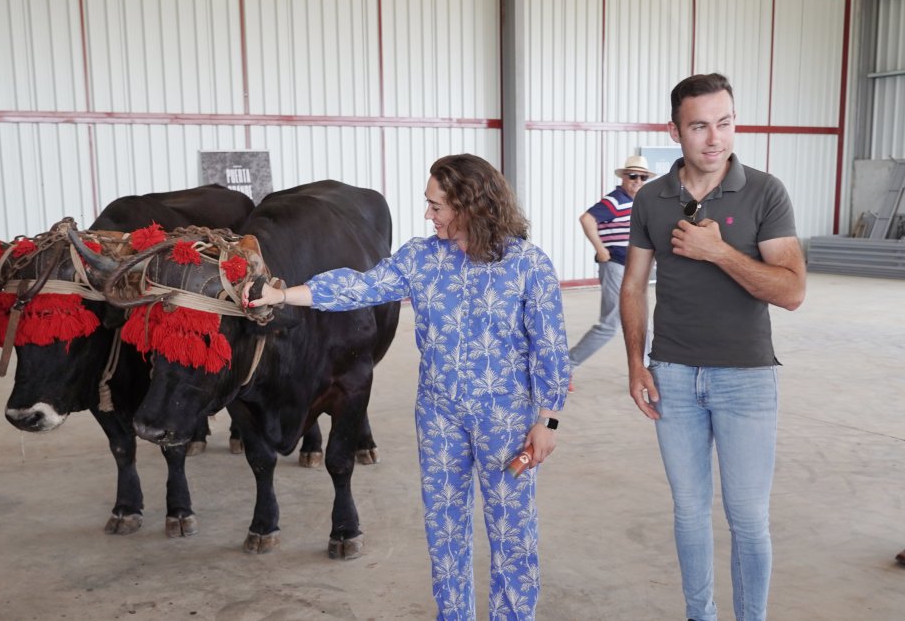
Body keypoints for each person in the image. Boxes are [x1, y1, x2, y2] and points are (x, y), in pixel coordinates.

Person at [244, 154, 570, 620]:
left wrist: (548, 421)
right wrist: (282, 294)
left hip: (506, 422)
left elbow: (551, 350)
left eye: (436, 206)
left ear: (469, 205)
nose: (427, 215)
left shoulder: (528, 266)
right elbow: (359, 287)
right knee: (444, 531)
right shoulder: (422, 258)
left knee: (512, 534)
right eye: (428, 205)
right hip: (439, 418)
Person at [619, 74, 806, 621]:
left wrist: (718, 252)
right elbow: (632, 286)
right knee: (689, 513)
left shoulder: (765, 192)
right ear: (674, 130)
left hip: (746, 378)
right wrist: (636, 364)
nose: (715, 138)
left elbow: (791, 291)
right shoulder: (652, 198)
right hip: (672, 375)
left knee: (748, 518)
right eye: (699, 125)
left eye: (724, 123)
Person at [568, 155, 654, 374]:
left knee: (642, 318)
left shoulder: (637, 202)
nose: (637, 180)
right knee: (610, 324)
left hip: (634, 269)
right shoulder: (615, 200)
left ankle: (650, 368)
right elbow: (586, 219)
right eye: (632, 175)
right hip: (616, 266)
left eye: (642, 177)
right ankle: (566, 365)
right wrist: (601, 249)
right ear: (624, 177)